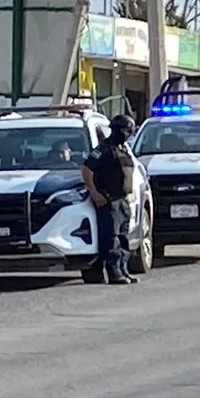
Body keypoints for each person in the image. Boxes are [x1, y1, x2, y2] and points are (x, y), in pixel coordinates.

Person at [81, 114, 138, 285]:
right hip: (109, 200)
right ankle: (114, 273)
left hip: (123, 199)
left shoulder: (124, 149)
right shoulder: (104, 149)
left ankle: (123, 269)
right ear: (117, 130)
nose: (129, 134)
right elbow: (87, 169)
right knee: (111, 238)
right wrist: (94, 192)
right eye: (127, 130)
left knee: (123, 237)